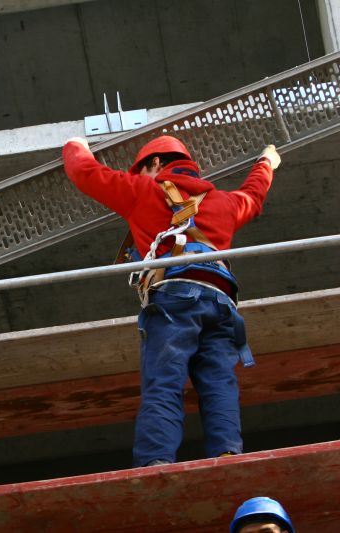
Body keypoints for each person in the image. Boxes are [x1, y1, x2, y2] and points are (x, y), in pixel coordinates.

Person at [62, 135, 280, 467]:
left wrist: (75, 143)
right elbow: (253, 195)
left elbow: (85, 172)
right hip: (221, 301)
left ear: (154, 164)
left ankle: (156, 463)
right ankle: (227, 454)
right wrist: (266, 163)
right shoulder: (223, 202)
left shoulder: (141, 191)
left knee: (164, 383)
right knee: (218, 382)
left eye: (142, 170)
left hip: (173, 297)